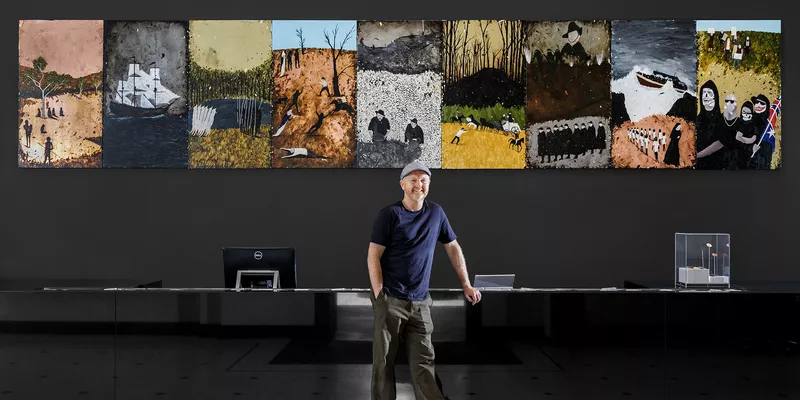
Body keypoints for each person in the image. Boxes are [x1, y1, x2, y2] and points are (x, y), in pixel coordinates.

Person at [368, 161, 481, 400]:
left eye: (423, 181)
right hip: (391, 299)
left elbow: (452, 247)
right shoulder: (389, 215)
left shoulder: (436, 213)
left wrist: (466, 284)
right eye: (413, 180)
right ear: (403, 184)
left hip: (420, 302)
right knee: (383, 363)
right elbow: (373, 255)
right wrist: (379, 293)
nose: (418, 185)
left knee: (424, 363)